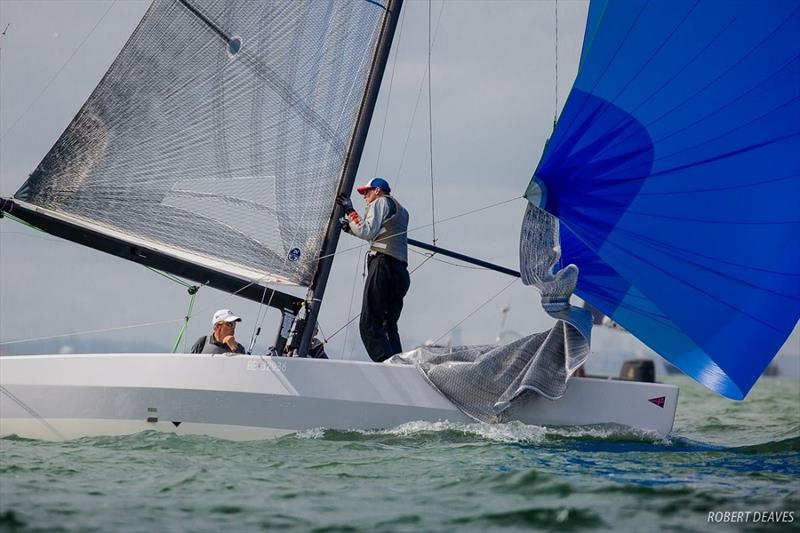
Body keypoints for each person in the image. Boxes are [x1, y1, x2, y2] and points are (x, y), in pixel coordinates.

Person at [337, 177, 410, 362]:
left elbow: (367, 231)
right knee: (388, 325)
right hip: (401, 272)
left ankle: (387, 364)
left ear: (377, 191)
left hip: (383, 266)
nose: (364, 197)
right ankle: (401, 365)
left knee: (369, 323)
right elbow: (381, 232)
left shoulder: (381, 202)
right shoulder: (403, 211)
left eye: (367, 192)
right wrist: (351, 229)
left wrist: (349, 210)